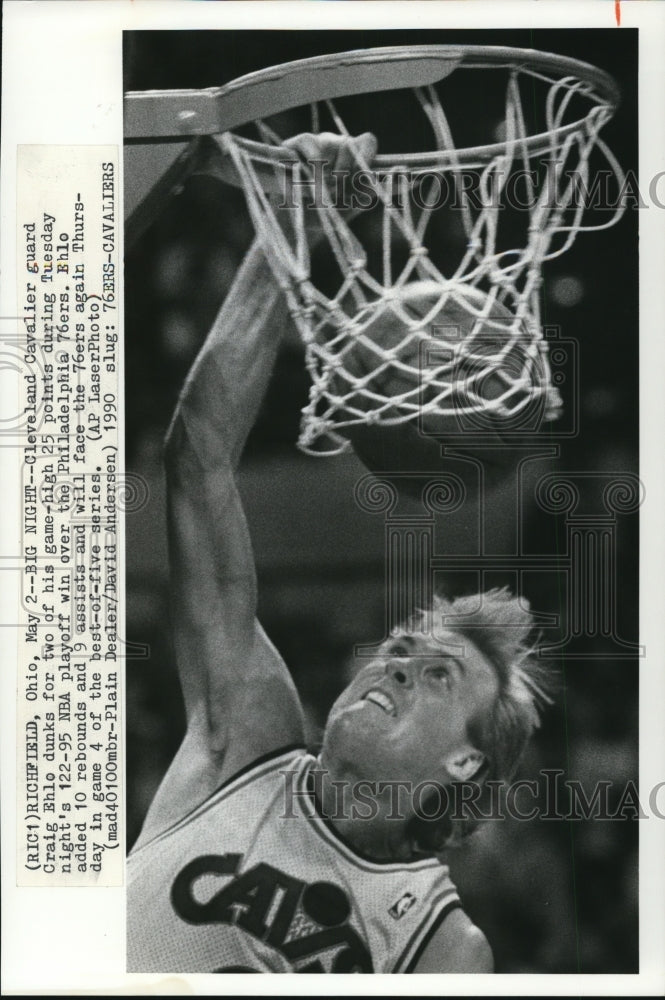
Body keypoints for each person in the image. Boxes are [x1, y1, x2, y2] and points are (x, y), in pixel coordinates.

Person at [127, 133, 550, 974]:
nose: (396, 668)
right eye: (401, 652)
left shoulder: (442, 944)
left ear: (464, 761)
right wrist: (289, 229)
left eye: (436, 676)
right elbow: (199, 458)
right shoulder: (244, 738)